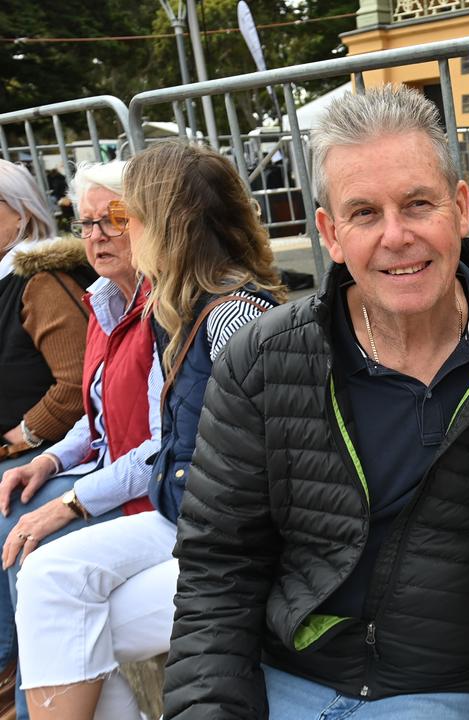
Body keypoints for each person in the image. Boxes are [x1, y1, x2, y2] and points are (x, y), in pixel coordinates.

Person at [162, 85, 469, 719]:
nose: (396, 236)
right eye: (364, 213)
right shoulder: (263, 362)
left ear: (461, 210)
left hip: (458, 687)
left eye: (419, 204)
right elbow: (219, 565)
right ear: (331, 234)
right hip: (290, 677)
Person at [14, 141, 284, 720]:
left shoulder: (237, 315)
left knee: (66, 624)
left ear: (168, 225)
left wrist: (75, 501)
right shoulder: (177, 310)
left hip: (233, 539)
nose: (114, 233)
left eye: (123, 217)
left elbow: (274, 459)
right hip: (181, 513)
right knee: (46, 580)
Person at [0, 160, 159, 719]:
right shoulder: (103, 299)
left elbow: (159, 447)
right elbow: (91, 417)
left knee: (25, 538)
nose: (97, 234)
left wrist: (63, 493)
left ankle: (18, 697)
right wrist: (46, 460)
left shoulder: (166, 306)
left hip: (151, 493)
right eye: (86, 222)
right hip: (103, 471)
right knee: (12, 504)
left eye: (114, 218)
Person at [0, 161, 95, 715]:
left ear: (23, 214)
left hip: (43, 454)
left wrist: (21, 435)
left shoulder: (38, 281)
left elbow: (74, 386)